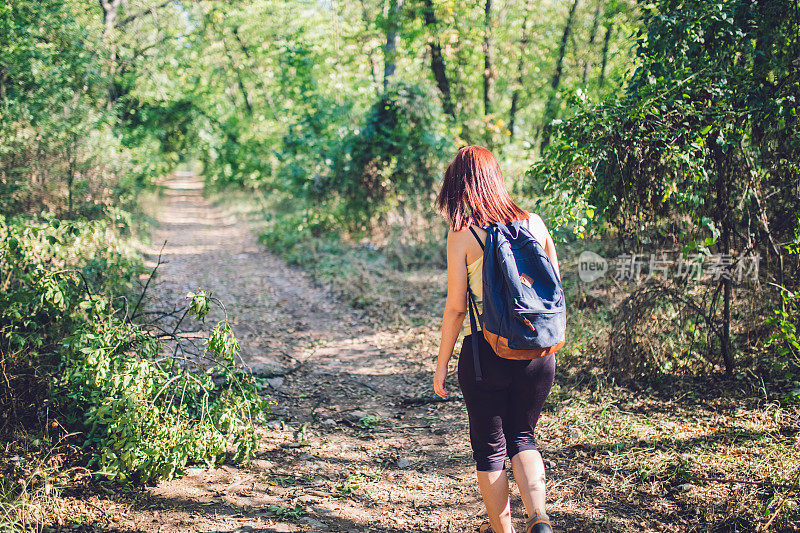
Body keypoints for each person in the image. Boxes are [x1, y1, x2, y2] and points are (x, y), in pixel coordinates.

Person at [433, 146, 560, 533]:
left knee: (490, 450)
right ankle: (538, 519)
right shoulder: (535, 224)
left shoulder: (463, 235)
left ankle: (502, 531)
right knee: (523, 435)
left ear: (461, 186)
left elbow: (457, 308)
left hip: (484, 353)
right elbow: (552, 288)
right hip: (536, 350)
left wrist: (441, 365)